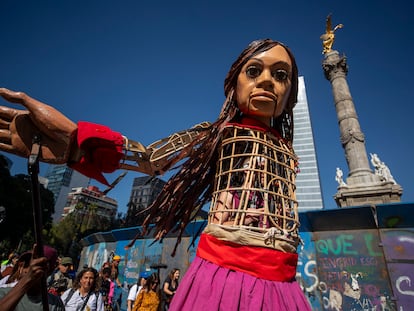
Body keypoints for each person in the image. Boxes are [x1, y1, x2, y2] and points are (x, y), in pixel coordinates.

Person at [0, 38, 312, 310]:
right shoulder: (218, 134)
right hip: (222, 278)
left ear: (289, 96)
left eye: (281, 75)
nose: (268, 80)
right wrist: (75, 141)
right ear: (234, 85)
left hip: (282, 285)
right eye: (254, 71)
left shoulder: (288, 153)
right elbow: (150, 158)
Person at [0, 244, 65, 310]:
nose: (27, 270)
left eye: (37, 265)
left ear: (49, 271)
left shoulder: (56, 305)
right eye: (26, 264)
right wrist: (26, 280)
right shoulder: (3, 294)